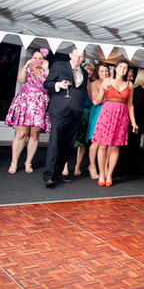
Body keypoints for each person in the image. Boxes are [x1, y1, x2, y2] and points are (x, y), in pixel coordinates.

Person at [42, 47, 88, 186]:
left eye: (80, 57)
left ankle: (58, 173)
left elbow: (81, 92)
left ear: (84, 58)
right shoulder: (59, 65)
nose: (78, 59)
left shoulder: (84, 73)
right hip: (60, 110)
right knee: (55, 143)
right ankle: (49, 176)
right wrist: (57, 84)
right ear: (70, 55)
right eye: (75, 56)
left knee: (67, 146)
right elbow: (46, 84)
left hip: (76, 112)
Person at [91, 60, 137, 187]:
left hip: (122, 115)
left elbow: (130, 104)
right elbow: (97, 101)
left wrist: (133, 122)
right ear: (115, 68)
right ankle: (101, 174)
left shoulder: (129, 84)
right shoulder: (107, 81)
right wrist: (102, 90)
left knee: (116, 146)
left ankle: (109, 174)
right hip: (107, 113)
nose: (123, 69)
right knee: (103, 145)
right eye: (121, 67)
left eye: (125, 68)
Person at [5, 48, 51, 174]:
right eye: (35, 58)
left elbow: (48, 84)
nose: (37, 60)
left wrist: (46, 69)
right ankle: (14, 162)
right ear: (31, 58)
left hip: (39, 104)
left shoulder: (46, 71)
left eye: (40, 58)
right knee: (21, 134)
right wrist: (25, 66)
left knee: (34, 135)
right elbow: (21, 80)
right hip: (24, 102)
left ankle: (28, 161)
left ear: (44, 60)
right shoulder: (28, 69)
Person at [125, 69, 144, 175]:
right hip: (136, 122)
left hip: (136, 121)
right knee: (133, 145)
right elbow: (136, 107)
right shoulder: (139, 91)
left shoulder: (138, 90)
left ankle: (131, 167)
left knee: (133, 145)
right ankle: (131, 168)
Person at [86, 63, 109, 179]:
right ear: (97, 72)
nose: (104, 73)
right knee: (95, 141)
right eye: (101, 71)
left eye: (106, 71)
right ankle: (92, 166)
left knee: (106, 142)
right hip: (97, 112)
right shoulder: (94, 84)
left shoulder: (111, 82)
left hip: (109, 113)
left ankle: (104, 167)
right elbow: (95, 101)